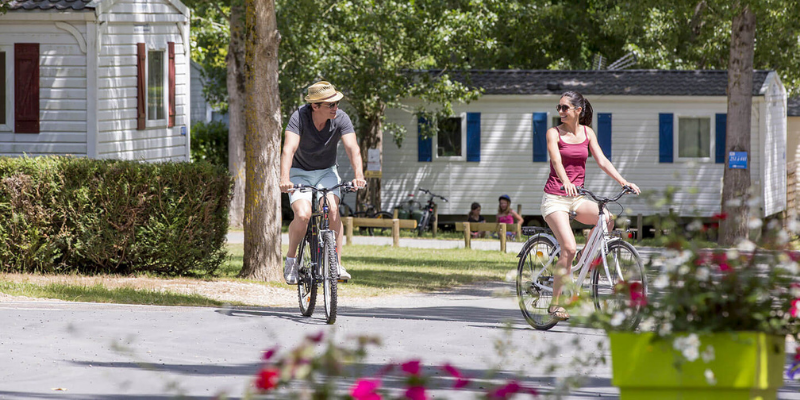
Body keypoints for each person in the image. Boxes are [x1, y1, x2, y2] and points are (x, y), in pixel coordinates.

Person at [541, 91, 640, 321]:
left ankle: (581, 262)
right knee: (568, 246)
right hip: (555, 197)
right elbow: (556, 160)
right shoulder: (553, 133)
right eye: (559, 107)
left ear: (578, 110)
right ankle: (555, 306)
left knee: (607, 218)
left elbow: (602, 160)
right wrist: (565, 181)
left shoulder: (587, 133)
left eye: (565, 108)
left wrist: (624, 181)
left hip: (577, 197)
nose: (560, 112)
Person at [279, 81, 366, 284]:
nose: (336, 108)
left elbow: (353, 148)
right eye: (331, 105)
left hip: (327, 171)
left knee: (332, 209)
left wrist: (358, 175)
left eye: (337, 103)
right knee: (303, 215)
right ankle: (291, 260)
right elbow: (288, 149)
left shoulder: (341, 118)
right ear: (315, 106)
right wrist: (284, 178)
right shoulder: (299, 117)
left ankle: (335, 263)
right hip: (300, 172)